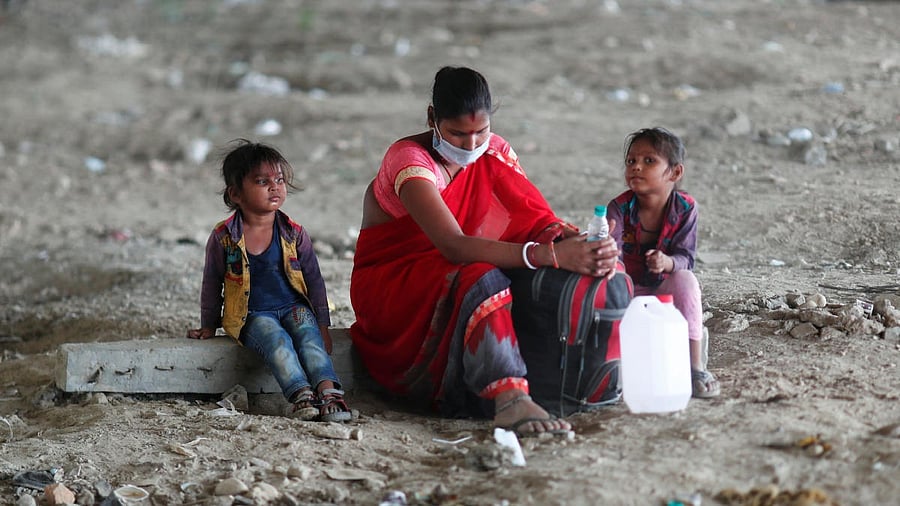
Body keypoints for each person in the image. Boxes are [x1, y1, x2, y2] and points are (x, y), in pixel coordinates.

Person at [349, 66, 621, 437]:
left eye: (481, 131)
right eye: (458, 134)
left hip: (454, 267)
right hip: (396, 286)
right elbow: (454, 245)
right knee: (482, 274)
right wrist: (546, 254)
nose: (471, 144)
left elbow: (529, 219)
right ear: (432, 119)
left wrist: (573, 244)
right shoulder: (409, 161)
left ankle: (572, 383)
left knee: (560, 271)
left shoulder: (495, 152)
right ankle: (509, 397)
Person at [187, 140, 352, 422]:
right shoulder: (224, 237)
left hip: (293, 306)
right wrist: (208, 324)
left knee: (309, 338)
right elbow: (212, 283)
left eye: (279, 180)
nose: (274, 187)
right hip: (252, 314)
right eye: (262, 181)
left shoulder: (294, 233)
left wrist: (323, 324)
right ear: (236, 194)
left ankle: (328, 390)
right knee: (277, 341)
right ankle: (300, 394)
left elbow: (314, 280)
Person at [606, 127, 720, 398]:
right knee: (607, 283)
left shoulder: (685, 208)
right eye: (631, 161)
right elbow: (613, 258)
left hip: (663, 291)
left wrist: (667, 263)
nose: (636, 167)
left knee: (686, 281)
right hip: (626, 291)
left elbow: (686, 258)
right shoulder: (618, 209)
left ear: (675, 173)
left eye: (649, 161)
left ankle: (696, 368)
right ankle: (609, 370)